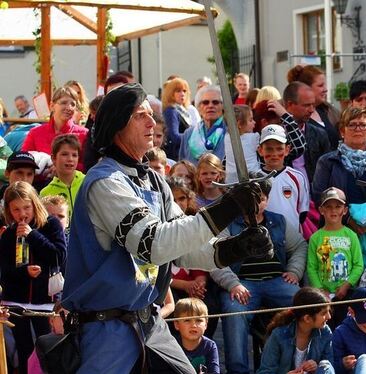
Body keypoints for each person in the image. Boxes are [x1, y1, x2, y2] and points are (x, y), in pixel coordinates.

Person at [60, 83, 272, 373]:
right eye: (139, 115)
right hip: (105, 329)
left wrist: (233, 248)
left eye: (151, 114)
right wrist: (228, 207)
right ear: (117, 125)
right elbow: (153, 245)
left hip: (150, 324)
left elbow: (182, 247)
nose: (152, 122)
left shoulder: (156, 183)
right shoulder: (104, 183)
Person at [211, 176, 306, 374]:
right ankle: (239, 371)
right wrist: (232, 284)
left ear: (267, 200)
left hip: (277, 281)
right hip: (242, 284)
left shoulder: (278, 221)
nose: (256, 203)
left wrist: (294, 271)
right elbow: (213, 258)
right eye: (251, 198)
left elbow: (299, 246)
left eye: (261, 198)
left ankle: (302, 364)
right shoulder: (227, 224)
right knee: (234, 312)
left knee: (305, 304)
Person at [312, 107, 366, 266]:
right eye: (352, 125)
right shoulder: (328, 162)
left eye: (362, 125)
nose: (358, 129)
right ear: (342, 130)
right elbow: (319, 195)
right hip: (339, 233)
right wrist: (349, 219)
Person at [0, 181, 66, 374]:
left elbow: (59, 257)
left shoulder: (51, 224)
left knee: (46, 351)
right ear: (9, 211)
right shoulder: (8, 234)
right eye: (16, 209)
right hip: (17, 303)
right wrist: (24, 272)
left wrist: (33, 236)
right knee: (24, 352)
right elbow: (5, 272)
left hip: (45, 303)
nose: (22, 214)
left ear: (35, 204)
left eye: (27, 207)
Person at [307, 187, 364, 326]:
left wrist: (346, 285)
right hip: (324, 294)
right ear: (321, 210)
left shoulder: (351, 235)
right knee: (326, 325)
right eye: (329, 207)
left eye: (338, 206)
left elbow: (358, 265)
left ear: (344, 210)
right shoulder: (315, 238)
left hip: (345, 293)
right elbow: (311, 267)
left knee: (346, 324)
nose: (333, 211)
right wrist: (321, 290)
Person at [258, 287, 335, 374]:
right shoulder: (278, 335)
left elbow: (330, 366)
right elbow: (265, 371)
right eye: (324, 313)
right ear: (307, 318)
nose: (329, 316)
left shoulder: (325, 332)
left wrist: (316, 367)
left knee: (326, 366)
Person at [257, 124, 310, 238]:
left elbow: (303, 213)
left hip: (292, 239)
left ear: (287, 150)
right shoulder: (255, 179)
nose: (274, 154)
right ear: (260, 150)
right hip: (264, 240)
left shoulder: (297, 177)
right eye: (269, 149)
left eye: (279, 148)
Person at [270, 81, 329, 183]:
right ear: (289, 104)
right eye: (306, 105)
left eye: (313, 105)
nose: (311, 110)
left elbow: (327, 170)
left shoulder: (319, 134)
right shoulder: (275, 134)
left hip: (312, 195)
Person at [22, 86, 88, 172]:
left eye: (73, 104)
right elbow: (23, 161)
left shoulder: (84, 134)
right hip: (39, 184)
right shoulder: (35, 133)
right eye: (64, 103)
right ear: (52, 106)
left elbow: (88, 167)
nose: (69, 108)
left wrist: (64, 168)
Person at [288, 65, 341, 149]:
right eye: (320, 85)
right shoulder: (298, 116)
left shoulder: (326, 110)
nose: (325, 89)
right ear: (307, 88)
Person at [39, 134, 85, 217]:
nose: (70, 159)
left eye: (74, 155)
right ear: (53, 158)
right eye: (64, 154)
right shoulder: (45, 193)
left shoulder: (87, 183)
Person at [172, 298, 220, 374]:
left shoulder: (210, 346)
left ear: (206, 324)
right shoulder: (172, 345)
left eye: (199, 320)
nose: (193, 325)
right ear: (177, 324)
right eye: (187, 320)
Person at [225, 105, 261, 183]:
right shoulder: (254, 138)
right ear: (239, 124)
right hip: (252, 178)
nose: (254, 122)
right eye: (251, 120)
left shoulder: (226, 138)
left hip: (230, 180)